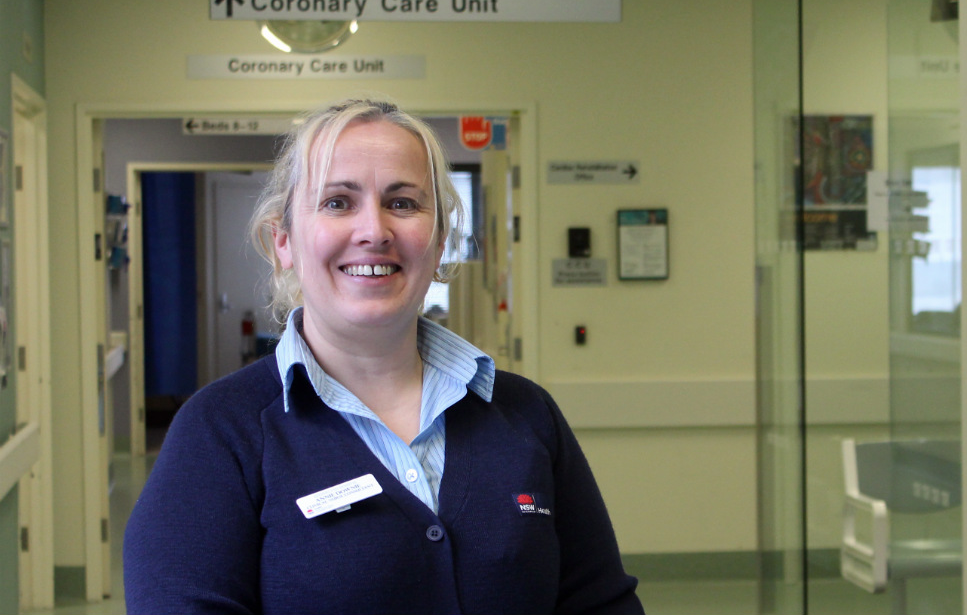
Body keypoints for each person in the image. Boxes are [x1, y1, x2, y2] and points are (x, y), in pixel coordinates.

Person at [123, 98, 643, 615]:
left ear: (439, 242)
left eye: (402, 203)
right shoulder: (220, 433)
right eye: (337, 203)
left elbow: (601, 602)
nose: (374, 231)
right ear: (283, 242)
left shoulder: (526, 414)